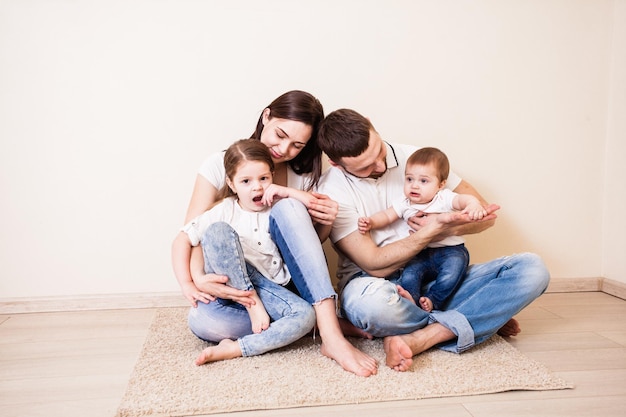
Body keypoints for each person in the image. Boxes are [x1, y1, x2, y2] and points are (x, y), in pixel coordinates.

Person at [316, 108, 550, 372]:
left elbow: (485, 216)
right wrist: (432, 228)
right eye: (366, 167)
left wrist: (447, 229)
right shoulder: (330, 190)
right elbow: (374, 264)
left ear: (371, 124)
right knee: (370, 307)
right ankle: (475, 314)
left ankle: (423, 335)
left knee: (532, 269)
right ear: (336, 164)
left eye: (379, 152)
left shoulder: (418, 158)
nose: (380, 166)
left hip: (439, 278)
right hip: (377, 286)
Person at [182, 91, 377, 376]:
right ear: (266, 116)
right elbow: (194, 233)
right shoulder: (220, 164)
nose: (284, 149)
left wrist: (326, 222)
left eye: (297, 145)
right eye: (280, 135)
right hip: (243, 289)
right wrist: (196, 278)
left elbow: (303, 249)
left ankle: (329, 333)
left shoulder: (304, 176)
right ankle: (316, 324)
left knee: (288, 208)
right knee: (204, 321)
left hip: (285, 287)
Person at [172, 139, 317, 363]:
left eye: (264, 179)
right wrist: (187, 284)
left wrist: (286, 192)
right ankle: (252, 303)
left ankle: (237, 347)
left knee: (306, 317)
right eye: (246, 181)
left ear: (273, 177)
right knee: (217, 232)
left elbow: (311, 209)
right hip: (232, 287)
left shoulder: (280, 209)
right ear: (231, 183)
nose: (257, 187)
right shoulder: (225, 210)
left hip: (269, 288)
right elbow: (182, 240)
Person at [357, 146, 487, 312]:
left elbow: (463, 200)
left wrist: (473, 204)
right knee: (410, 275)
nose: (414, 186)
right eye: (409, 179)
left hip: (450, 251)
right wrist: (371, 222)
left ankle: (434, 300)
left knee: (451, 275)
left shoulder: (443, 197)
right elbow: (387, 216)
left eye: (423, 181)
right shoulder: (404, 202)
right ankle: (412, 300)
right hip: (419, 253)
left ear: (441, 184)